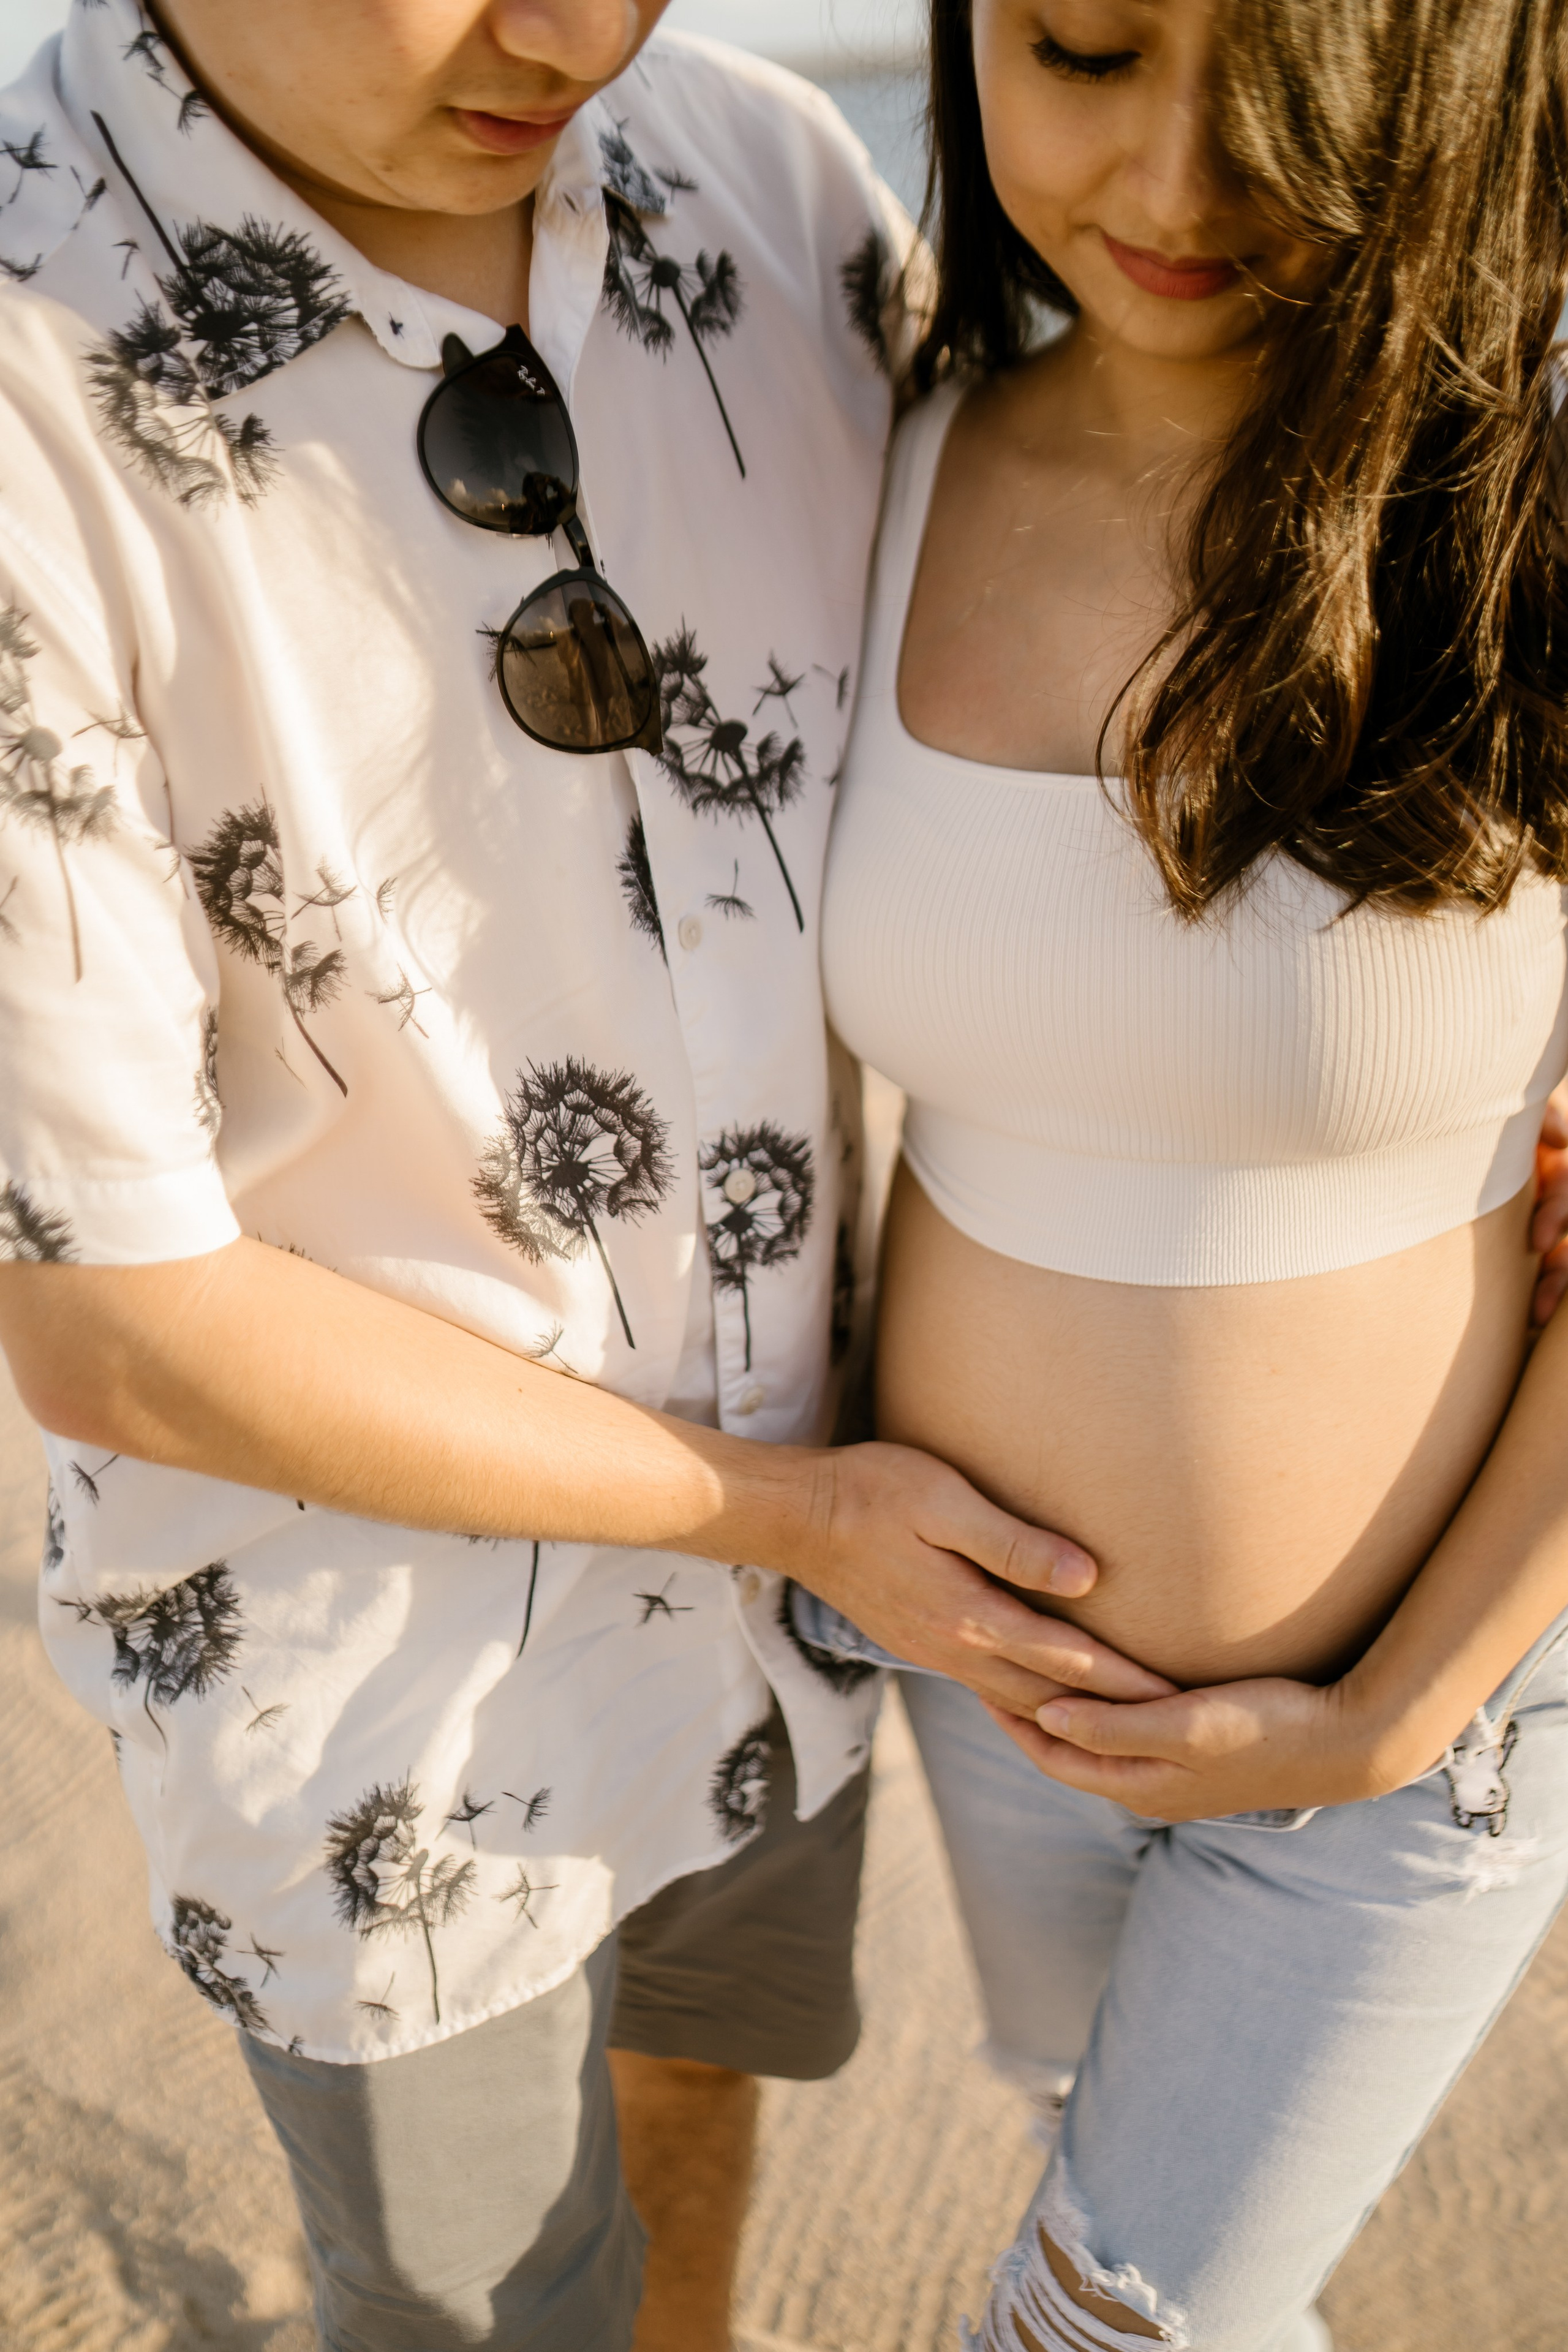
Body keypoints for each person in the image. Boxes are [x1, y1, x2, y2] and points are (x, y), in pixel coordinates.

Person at [0, 4, 1170, 2348]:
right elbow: (112, 1307)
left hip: (808, 1576)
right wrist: (788, 1518)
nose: (570, 31)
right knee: (477, 2306)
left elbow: (1085, 632)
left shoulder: (754, 163)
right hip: (377, 1693)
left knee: (696, 2099)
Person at [818, 0, 1568, 2346]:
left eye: (1285, 92)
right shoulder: (872, 449)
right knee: (1135, 2200)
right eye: (1085, 49)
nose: (1173, 181)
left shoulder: (1533, 497)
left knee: (1106, 2321)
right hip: (990, 1685)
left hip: (1402, 1723)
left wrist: (1392, 1715)